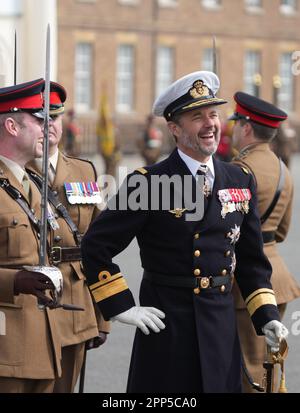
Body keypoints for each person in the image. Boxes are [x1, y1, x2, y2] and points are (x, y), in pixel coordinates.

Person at [81, 71, 288, 393]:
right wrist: (120, 305)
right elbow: (95, 245)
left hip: (220, 326)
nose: (210, 124)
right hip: (170, 327)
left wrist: (267, 315)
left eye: (214, 115)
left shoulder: (238, 178)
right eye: (197, 117)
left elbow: (251, 261)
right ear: (175, 129)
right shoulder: (149, 182)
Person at [26, 81, 110, 393]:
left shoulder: (84, 172)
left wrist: (102, 317)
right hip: (29, 306)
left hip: (76, 305)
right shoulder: (10, 171)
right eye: (39, 118)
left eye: (55, 118)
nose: (48, 125)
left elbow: (101, 248)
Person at [229, 91, 300, 392]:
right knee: (271, 363)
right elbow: (281, 231)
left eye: (234, 123)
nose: (229, 129)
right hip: (278, 276)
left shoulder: (239, 170)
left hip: (246, 282)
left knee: (250, 369)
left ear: (246, 128)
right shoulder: (284, 169)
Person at [0, 79, 62, 392]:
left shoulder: (34, 184)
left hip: (44, 344)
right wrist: (15, 281)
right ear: (11, 125)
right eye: (39, 121)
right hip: (6, 348)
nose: (47, 129)